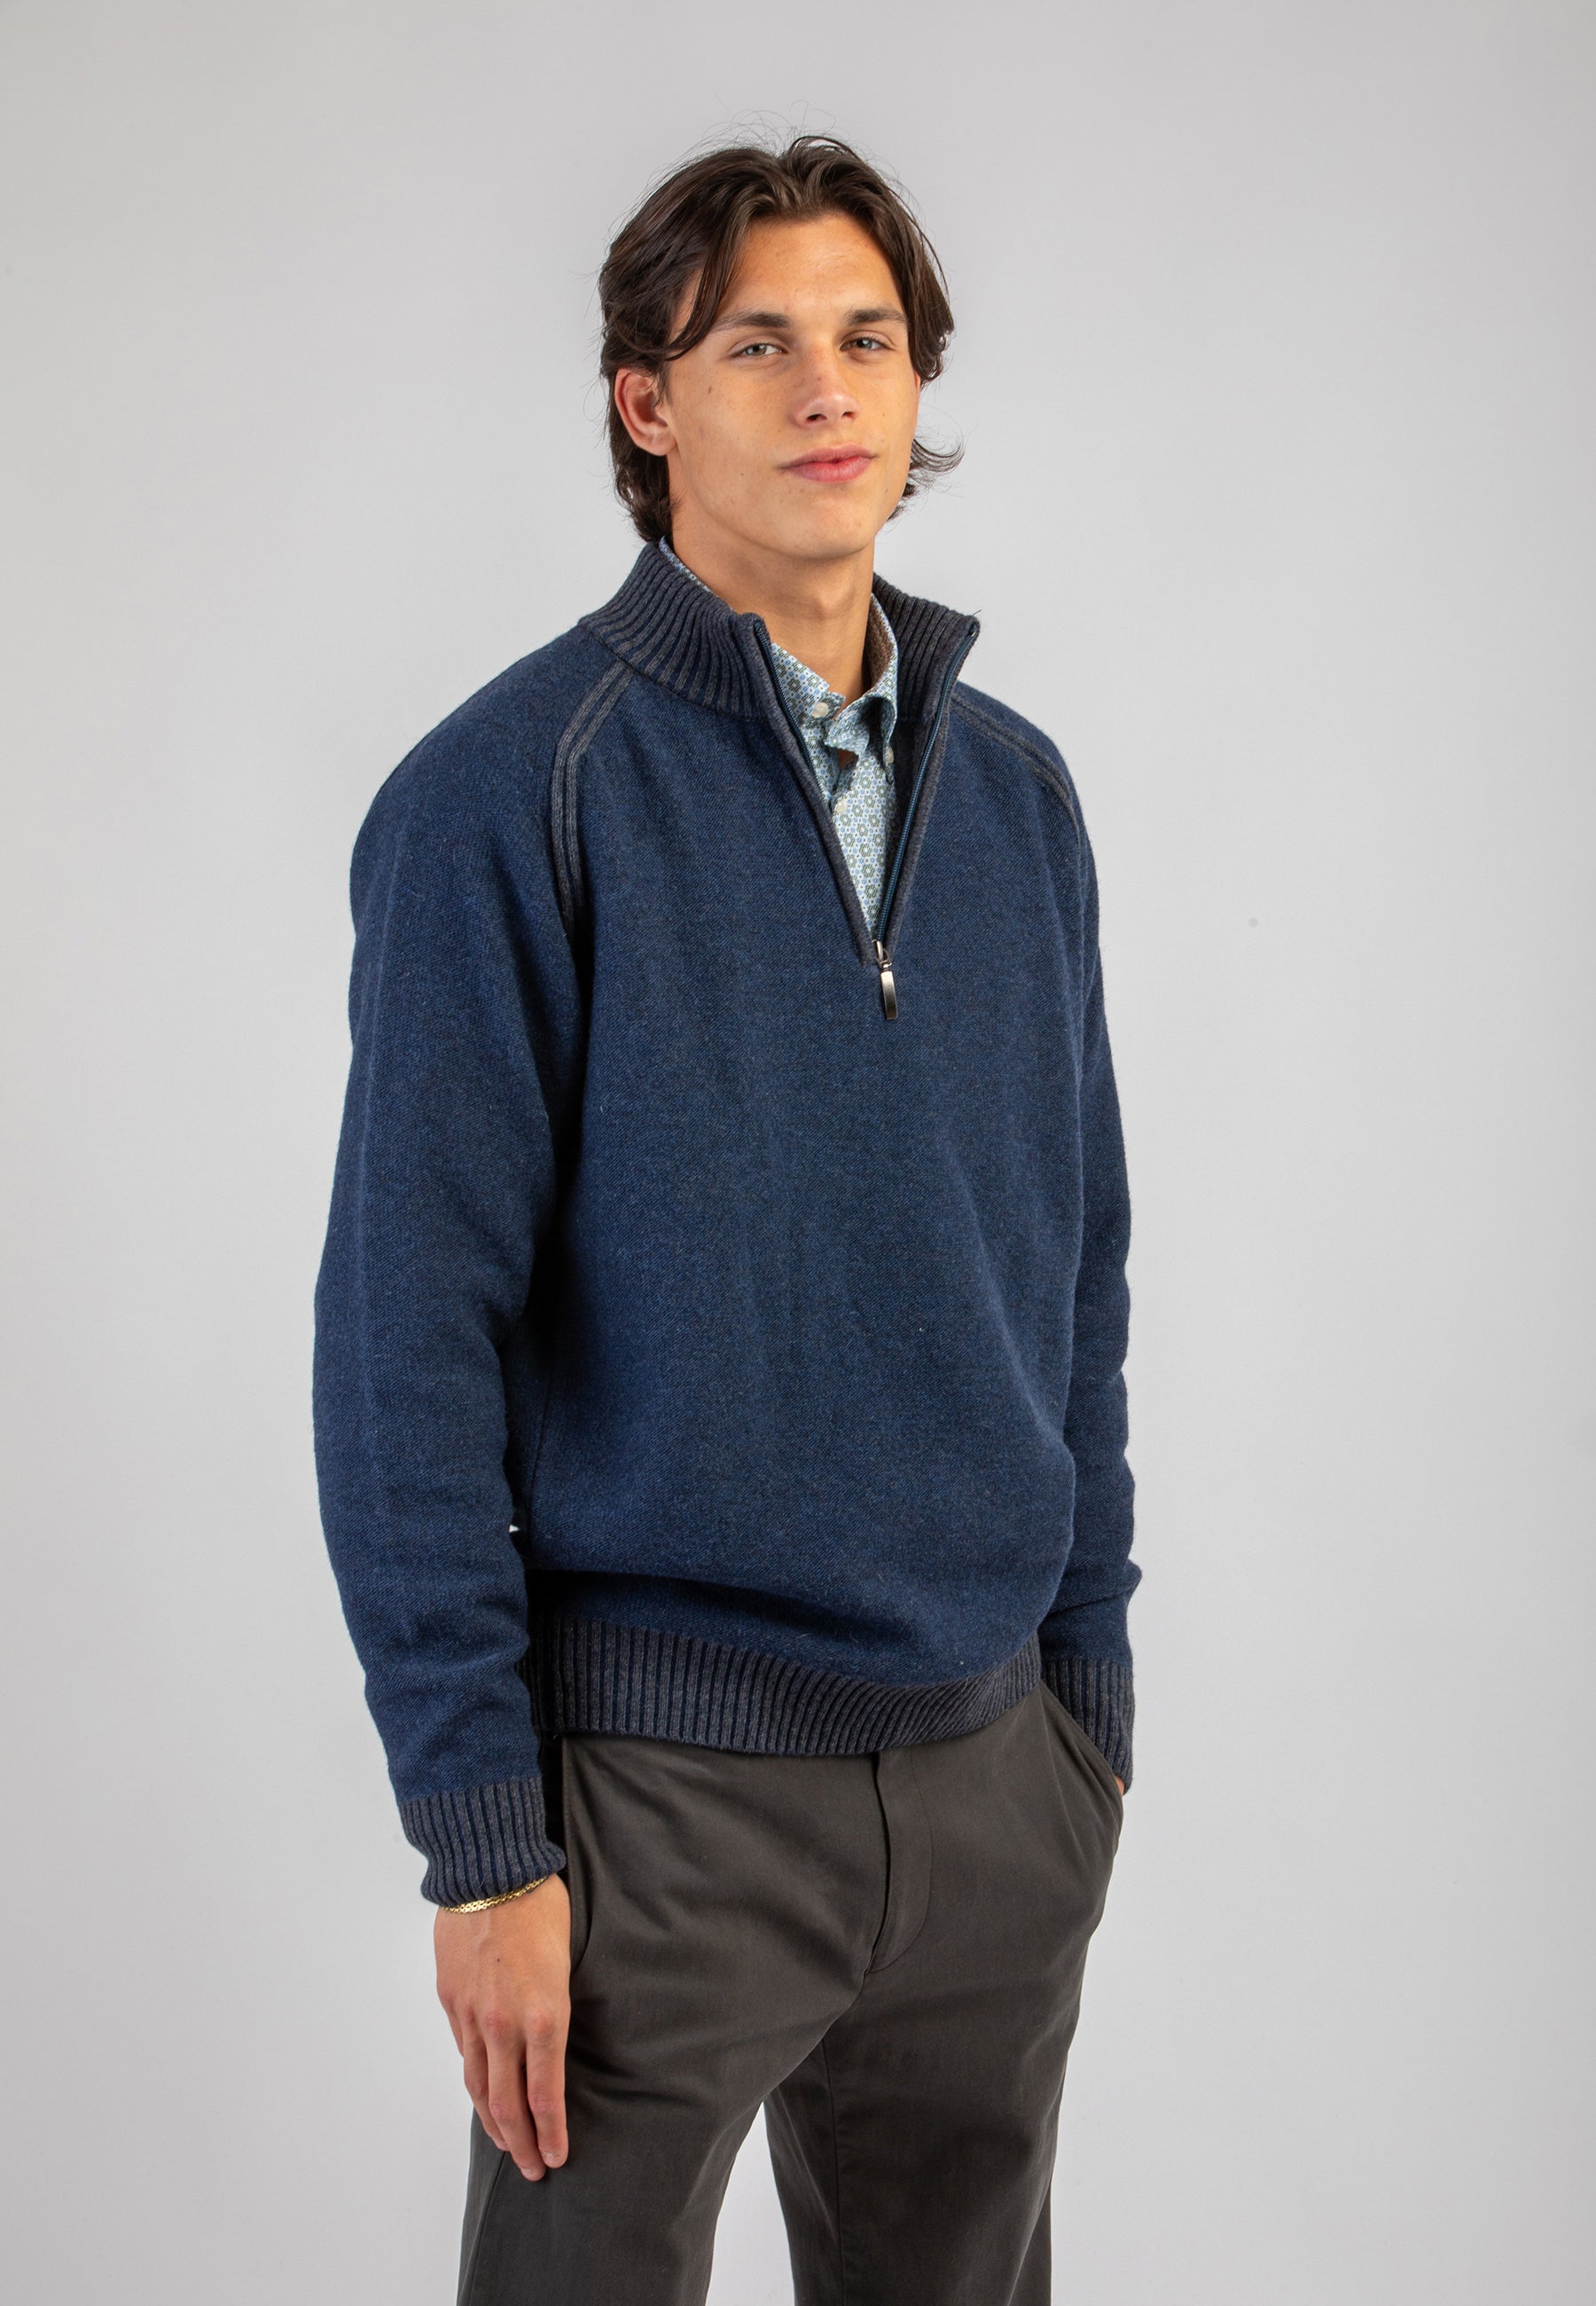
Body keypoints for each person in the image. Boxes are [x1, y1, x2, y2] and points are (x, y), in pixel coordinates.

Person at [313, 130, 1141, 2306]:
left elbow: (1078, 1269)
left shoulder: (1021, 797)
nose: (825, 385)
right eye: (755, 342)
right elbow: (406, 1344)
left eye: (867, 336)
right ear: (646, 402)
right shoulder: (513, 795)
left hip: (997, 1785)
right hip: (658, 1805)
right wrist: (483, 1840)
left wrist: (1084, 1703)